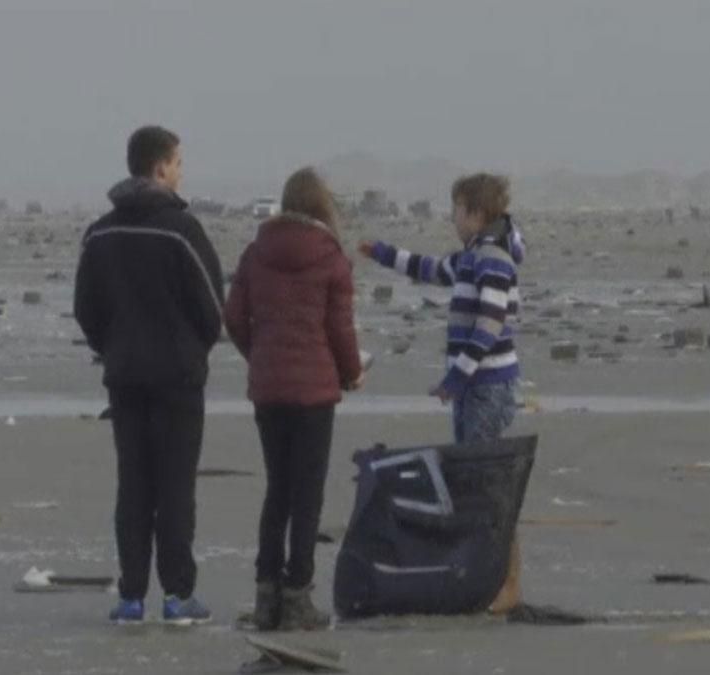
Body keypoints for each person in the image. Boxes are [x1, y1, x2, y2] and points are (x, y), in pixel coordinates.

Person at [74, 126, 225, 625]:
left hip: (126, 377)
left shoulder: (100, 233)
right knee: (175, 486)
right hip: (176, 379)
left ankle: (132, 595)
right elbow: (211, 308)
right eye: (178, 163)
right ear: (160, 168)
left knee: (134, 485)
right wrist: (191, 351)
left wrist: (113, 347)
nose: (182, 172)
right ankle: (177, 595)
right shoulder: (181, 232)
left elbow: (85, 309)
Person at [359, 173, 525, 613]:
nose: (452, 219)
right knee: (474, 486)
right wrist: (382, 254)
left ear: (475, 213)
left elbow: (489, 326)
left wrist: (457, 377)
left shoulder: (494, 260)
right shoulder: (470, 258)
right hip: (472, 386)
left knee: (487, 489)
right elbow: (430, 269)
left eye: (456, 211)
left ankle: (507, 584)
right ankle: (488, 579)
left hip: (487, 387)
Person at [225, 168, 364, 631]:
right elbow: (340, 330)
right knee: (307, 497)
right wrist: (352, 373)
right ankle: (298, 596)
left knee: (277, 492)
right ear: (323, 207)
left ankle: (266, 596)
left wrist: (258, 355)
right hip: (314, 391)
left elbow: (234, 317)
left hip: (269, 389)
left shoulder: (255, 252)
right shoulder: (331, 258)